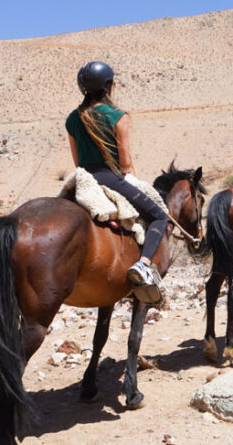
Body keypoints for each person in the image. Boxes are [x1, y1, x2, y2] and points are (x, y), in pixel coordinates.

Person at [65, 61, 168, 303]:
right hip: (109, 177)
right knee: (159, 216)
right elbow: (124, 163)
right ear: (108, 87)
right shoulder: (117, 116)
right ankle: (143, 265)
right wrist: (128, 175)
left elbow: (76, 160)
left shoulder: (72, 118)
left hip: (84, 178)